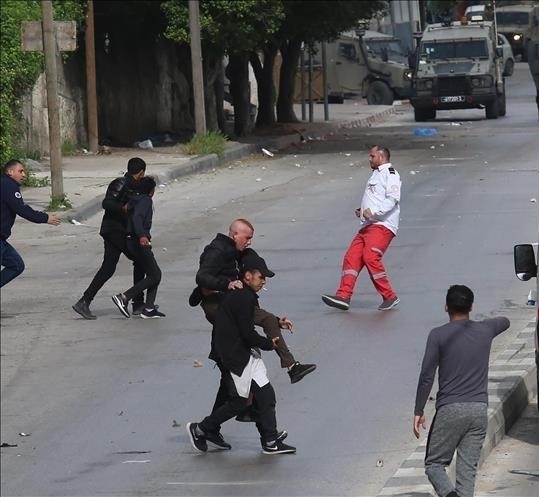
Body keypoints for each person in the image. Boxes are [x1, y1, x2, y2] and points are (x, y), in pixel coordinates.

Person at [186, 254, 297, 455]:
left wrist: (275, 322)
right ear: (247, 276)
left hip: (247, 355)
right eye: (261, 276)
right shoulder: (242, 297)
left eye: (265, 278)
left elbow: (251, 322)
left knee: (266, 395)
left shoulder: (245, 296)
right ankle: (201, 429)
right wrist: (268, 344)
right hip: (235, 358)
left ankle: (270, 440)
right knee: (238, 402)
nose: (264, 281)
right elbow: (247, 333)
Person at [413, 285, 510, 497]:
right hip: (478, 411)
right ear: (471, 306)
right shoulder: (485, 329)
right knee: (467, 472)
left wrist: (419, 410)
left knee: (434, 465)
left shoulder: (437, 335)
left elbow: (427, 376)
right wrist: (485, 324)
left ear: (446, 307)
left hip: (450, 409)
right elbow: (505, 321)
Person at [193, 219, 315, 384]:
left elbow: (251, 305)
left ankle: (291, 366)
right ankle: (290, 367)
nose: (249, 242)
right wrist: (226, 284)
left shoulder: (235, 251)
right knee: (251, 338)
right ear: (235, 235)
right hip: (216, 303)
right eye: (247, 238)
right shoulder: (217, 251)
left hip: (226, 303)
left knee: (263, 324)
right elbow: (202, 277)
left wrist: (277, 321)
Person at [322, 145, 401, 311]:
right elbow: (376, 197)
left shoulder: (390, 173)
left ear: (381, 157)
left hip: (381, 225)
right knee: (351, 257)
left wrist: (374, 212)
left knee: (370, 257)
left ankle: (389, 296)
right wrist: (363, 210)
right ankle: (343, 296)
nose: (369, 159)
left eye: (372, 156)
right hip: (368, 225)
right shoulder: (377, 174)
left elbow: (392, 199)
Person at [73, 158, 147, 319]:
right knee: (141, 260)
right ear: (141, 172)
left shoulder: (137, 187)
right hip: (114, 231)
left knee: (108, 268)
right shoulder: (120, 183)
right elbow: (107, 203)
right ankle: (138, 303)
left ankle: (84, 301)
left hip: (121, 232)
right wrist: (123, 208)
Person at [1, 159, 61, 288]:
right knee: (16, 265)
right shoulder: (8, 185)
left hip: (2, 239)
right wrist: (45, 218)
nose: (24, 175)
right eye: (20, 171)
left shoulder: (6, 184)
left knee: (16, 265)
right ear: (10, 172)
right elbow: (22, 209)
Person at [109, 176, 164, 318]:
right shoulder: (145, 200)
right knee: (155, 274)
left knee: (153, 274)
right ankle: (124, 297)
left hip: (132, 241)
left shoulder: (134, 199)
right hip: (138, 242)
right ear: (151, 191)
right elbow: (137, 218)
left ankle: (149, 309)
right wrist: (142, 235)